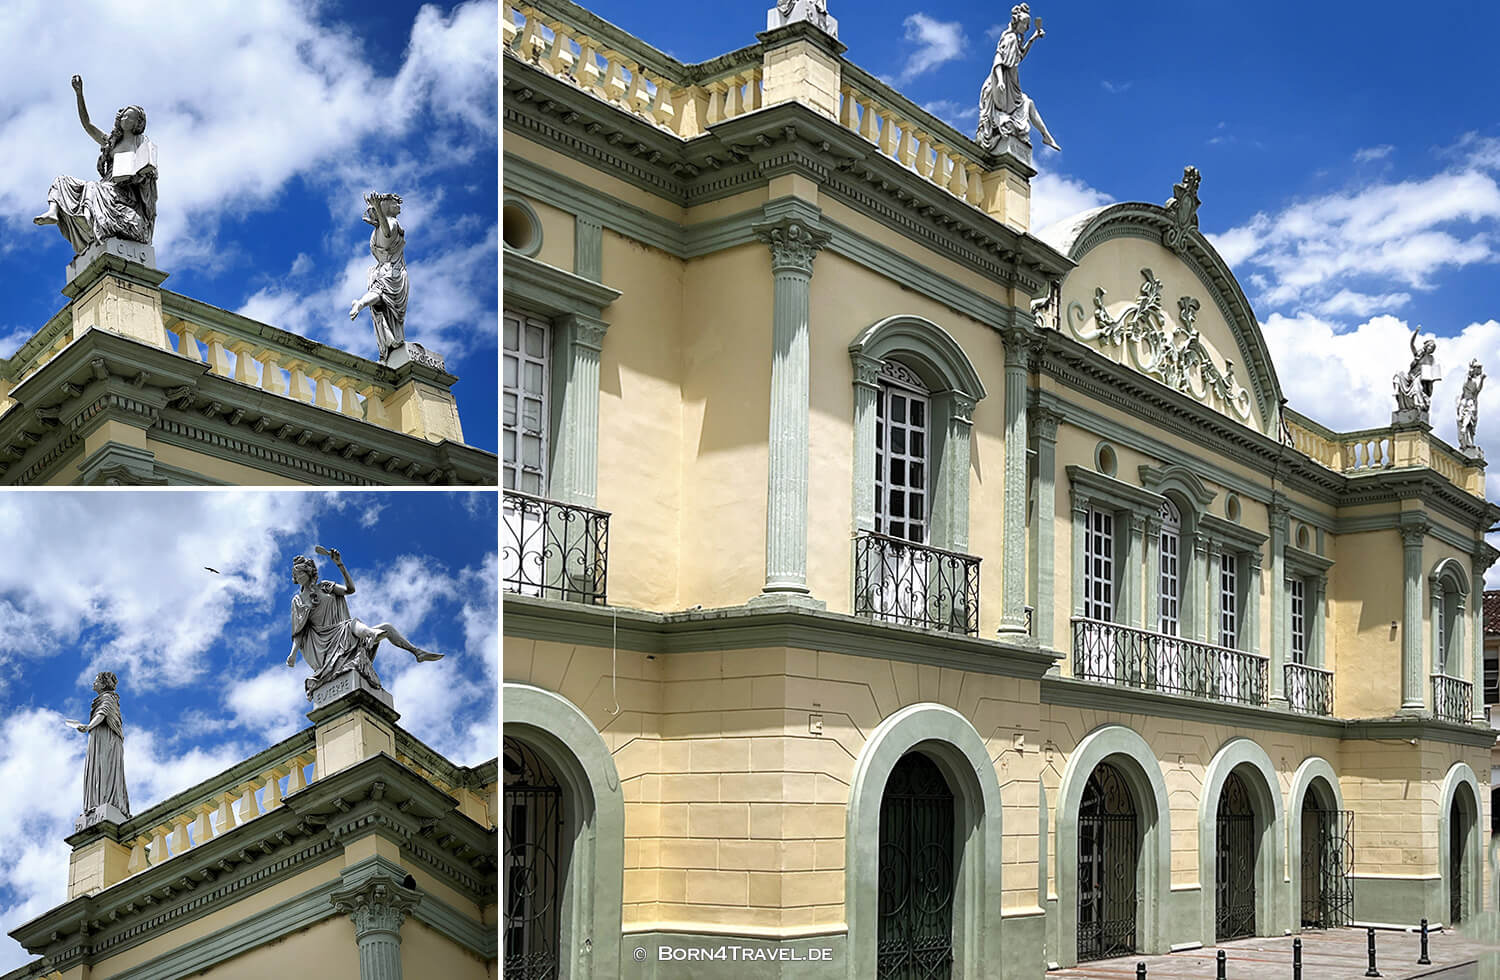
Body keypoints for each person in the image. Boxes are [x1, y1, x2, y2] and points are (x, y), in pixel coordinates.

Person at [287, 549, 443, 699]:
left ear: (309, 572)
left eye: (301, 572)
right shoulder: (298, 600)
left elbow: (350, 590)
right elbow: (299, 630)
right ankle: (370, 633)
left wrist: (340, 565)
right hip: (324, 643)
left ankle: (417, 652)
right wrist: (293, 654)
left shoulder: (325, 586)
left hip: (342, 634)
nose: (298, 576)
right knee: (351, 624)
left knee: (386, 627)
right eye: (296, 574)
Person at [34, 75, 157, 253]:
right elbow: (88, 124)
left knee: (92, 187)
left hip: (124, 194)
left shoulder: (141, 143)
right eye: (124, 116)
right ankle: (53, 212)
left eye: (130, 118)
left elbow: (147, 175)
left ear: (138, 123)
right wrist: (79, 94)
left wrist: (140, 175)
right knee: (62, 181)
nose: (125, 119)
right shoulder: (111, 142)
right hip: (107, 187)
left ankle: (88, 218)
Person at [976, 4, 1060, 153]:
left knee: (1029, 103)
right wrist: (1001, 80)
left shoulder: (1015, 39)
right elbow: (998, 60)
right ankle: (1046, 136)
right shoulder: (1010, 38)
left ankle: (1046, 136)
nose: (1027, 28)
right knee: (1027, 103)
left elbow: (1019, 57)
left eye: (1028, 25)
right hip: (1002, 85)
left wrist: (1033, 39)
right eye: (1025, 24)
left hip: (1010, 85)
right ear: (1017, 22)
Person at [349, 193, 409, 364]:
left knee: (381, 299)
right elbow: (388, 234)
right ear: (387, 206)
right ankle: (361, 303)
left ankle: (361, 303)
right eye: (396, 203)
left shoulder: (376, 232)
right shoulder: (391, 223)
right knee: (384, 298)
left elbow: (385, 234)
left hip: (381, 269)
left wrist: (377, 217)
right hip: (393, 271)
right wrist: (379, 214)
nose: (399, 206)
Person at [64, 671, 131, 819]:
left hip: (106, 740)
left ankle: (105, 801)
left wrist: (88, 727)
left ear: (103, 683)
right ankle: (96, 803)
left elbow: (102, 713)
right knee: (97, 770)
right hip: (99, 738)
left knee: (103, 768)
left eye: (96, 681)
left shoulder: (108, 698)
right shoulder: (104, 699)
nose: (93, 683)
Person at [1458, 359, 1485, 451]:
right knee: (1467, 417)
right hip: (1468, 402)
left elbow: (1477, 390)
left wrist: (1482, 379)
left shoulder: (1475, 380)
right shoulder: (1468, 378)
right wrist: (1470, 369)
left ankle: (1469, 442)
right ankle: (1464, 428)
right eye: (1478, 368)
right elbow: (1466, 384)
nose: (1479, 370)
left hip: (1471, 402)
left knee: (1471, 424)